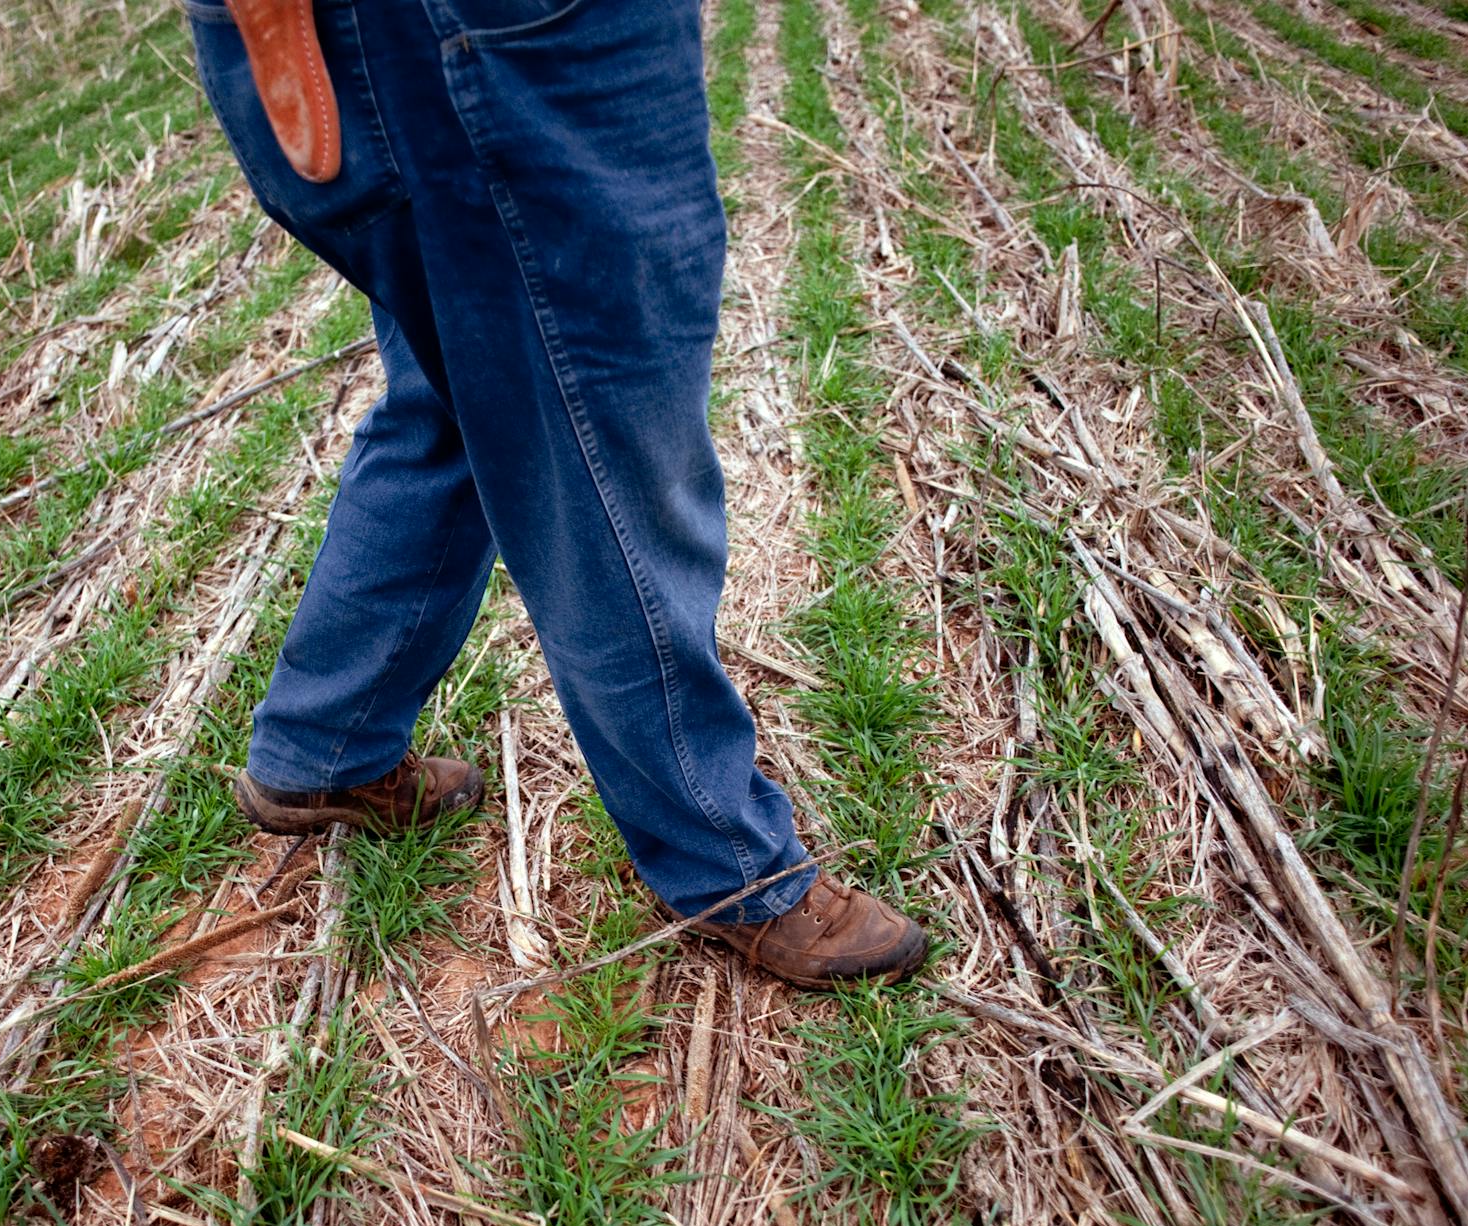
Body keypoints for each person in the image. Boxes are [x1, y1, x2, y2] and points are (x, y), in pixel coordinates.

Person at [187, 0, 925, 987]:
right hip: (494, 36)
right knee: (600, 409)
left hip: (338, 41)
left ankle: (326, 739)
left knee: (471, 376)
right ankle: (727, 861)